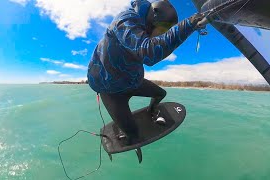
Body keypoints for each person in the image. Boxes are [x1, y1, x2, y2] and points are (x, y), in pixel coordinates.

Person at [87, 0, 206, 142]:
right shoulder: (125, 20)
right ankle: (130, 137)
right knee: (134, 136)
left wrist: (192, 27)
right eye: (163, 29)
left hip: (131, 81)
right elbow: (149, 53)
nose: (162, 34)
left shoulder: (142, 29)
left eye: (166, 31)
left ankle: (152, 111)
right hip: (110, 88)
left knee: (160, 94)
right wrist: (189, 24)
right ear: (153, 18)